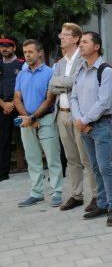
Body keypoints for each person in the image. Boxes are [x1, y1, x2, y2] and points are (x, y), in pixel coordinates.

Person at [70, 31, 112, 226]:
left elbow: (104, 102)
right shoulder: (80, 70)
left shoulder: (106, 71)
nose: (80, 45)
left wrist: (84, 120)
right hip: (84, 126)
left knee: (105, 167)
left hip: (100, 125)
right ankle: (102, 203)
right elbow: (73, 97)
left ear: (97, 46)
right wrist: (79, 120)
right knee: (94, 167)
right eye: (80, 41)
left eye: (84, 42)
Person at [49, 23, 98, 212]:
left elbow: (78, 81)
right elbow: (51, 87)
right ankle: (77, 195)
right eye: (61, 34)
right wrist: (64, 83)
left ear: (76, 38)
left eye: (65, 34)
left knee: (87, 158)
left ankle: (96, 196)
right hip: (62, 115)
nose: (61, 37)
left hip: (79, 116)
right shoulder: (60, 63)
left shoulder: (83, 59)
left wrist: (60, 82)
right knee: (71, 158)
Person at [14, 39, 63, 207]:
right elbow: (16, 98)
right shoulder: (22, 74)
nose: (27, 55)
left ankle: (57, 192)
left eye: (30, 52)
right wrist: (28, 118)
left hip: (46, 120)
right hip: (26, 122)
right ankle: (36, 193)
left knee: (52, 158)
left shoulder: (50, 73)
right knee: (32, 158)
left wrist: (33, 117)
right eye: (25, 52)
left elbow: (49, 99)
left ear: (40, 53)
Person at [0, 37, 24, 182]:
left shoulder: (22, 64)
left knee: (30, 138)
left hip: (20, 107)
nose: (4, 48)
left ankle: (37, 169)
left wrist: (14, 104)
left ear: (14, 48)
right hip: (2, 108)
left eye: (8, 46)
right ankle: (3, 173)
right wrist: (3, 104)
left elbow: (26, 86)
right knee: (3, 140)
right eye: (2, 46)